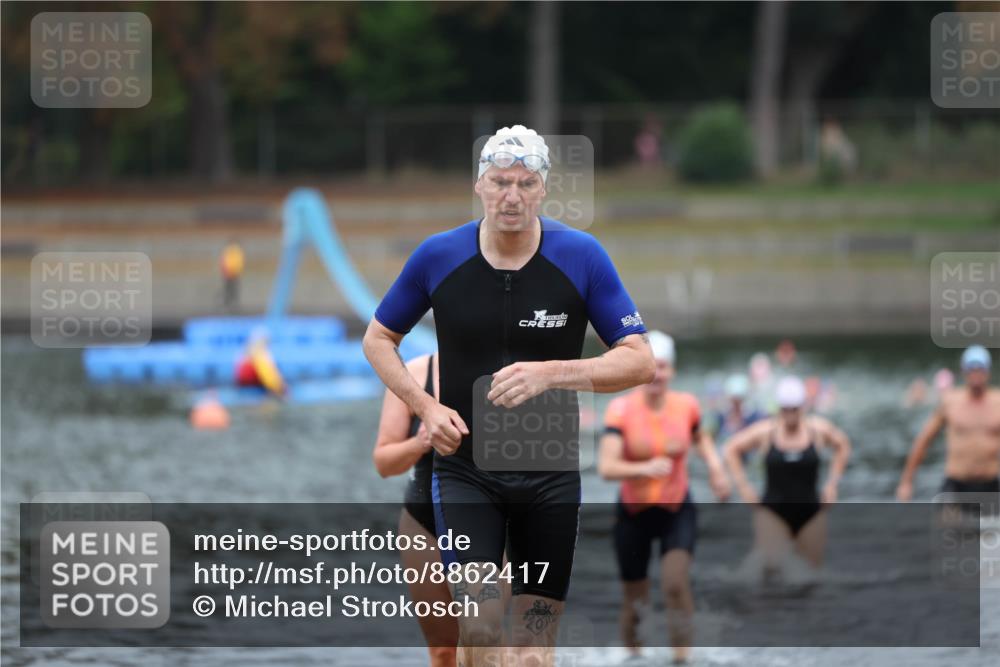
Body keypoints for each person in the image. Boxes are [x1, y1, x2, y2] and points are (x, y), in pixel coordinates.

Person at [363, 125, 654, 667]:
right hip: (466, 471)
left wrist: (552, 374)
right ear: (480, 185)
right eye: (500, 182)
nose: (511, 196)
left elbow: (640, 359)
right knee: (480, 627)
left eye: (524, 183)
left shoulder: (581, 256)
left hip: (550, 475)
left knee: (534, 652)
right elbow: (378, 339)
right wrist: (425, 407)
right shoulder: (438, 256)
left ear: (543, 189)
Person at [598, 332, 730, 664]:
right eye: (651, 366)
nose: (658, 374)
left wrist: (716, 469)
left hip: (676, 509)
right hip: (633, 512)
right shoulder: (621, 409)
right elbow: (607, 467)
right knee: (635, 597)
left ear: (673, 370)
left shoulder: (686, 405)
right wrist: (644, 467)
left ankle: (681, 658)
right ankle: (633, 657)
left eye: (665, 367)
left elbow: (701, 439)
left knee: (674, 583)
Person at [372, 353, 458, 667]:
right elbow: (383, 462)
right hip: (423, 521)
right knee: (444, 650)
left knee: (483, 640)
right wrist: (420, 442)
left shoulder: (505, 370)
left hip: (491, 517)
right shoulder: (414, 373)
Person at [723, 376, 851, 574]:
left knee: (809, 576)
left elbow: (843, 445)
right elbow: (731, 449)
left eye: (794, 409)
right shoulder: (766, 431)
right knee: (774, 567)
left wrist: (832, 484)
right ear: (779, 408)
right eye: (785, 409)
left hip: (811, 512)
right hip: (772, 512)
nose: (790, 414)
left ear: (803, 407)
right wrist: (744, 487)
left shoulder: (817, 430)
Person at [896, 346, 1000, 514]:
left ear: (987, 372)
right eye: (971, 369)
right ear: (964, 372)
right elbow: (923, 441)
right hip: (955, 485)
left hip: (990, 484)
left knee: (990, 537)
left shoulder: (997, 403)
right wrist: (906, 482)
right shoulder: (951, 403)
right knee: (947, 535)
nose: (976, 374)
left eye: (980, 369)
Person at [713, 373, 765, 443]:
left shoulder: (754, 417)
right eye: (734, 400)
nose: (736, 403)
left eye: (739, 399)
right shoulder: (720, 417)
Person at [220, 240, 245, 313]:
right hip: (231, 273)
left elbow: (224, 262)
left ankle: (230, 303)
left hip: (230, 273)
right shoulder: (235, 251)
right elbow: (238, 262)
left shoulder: (230, 251)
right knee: (231, 289)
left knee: (231, 288)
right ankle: (229, 303)